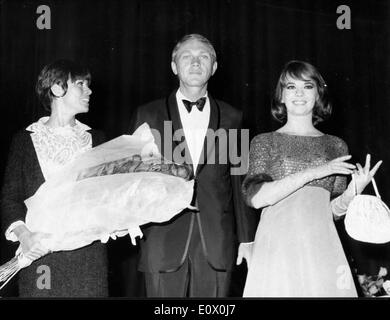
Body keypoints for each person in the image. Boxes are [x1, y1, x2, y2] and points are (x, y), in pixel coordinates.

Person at [127, 34, 256, 297]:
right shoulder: (147, 114)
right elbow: (132, 177)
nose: (196, 63)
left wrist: (247, 239)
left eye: (204, 57)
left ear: (215, 67)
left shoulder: (233, 116)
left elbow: (238, 178)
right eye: (187, 56)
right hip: (162, 238)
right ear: (174, 66)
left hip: (217, 242)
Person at [241, 60, 382, 297]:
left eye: (307, 86)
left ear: (318, 94)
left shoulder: (335, 145)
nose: (298, 93)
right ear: (281, 96)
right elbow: (256, 198)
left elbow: (332, 212)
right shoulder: (264, 142)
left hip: (321, 245)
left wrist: (353, 192)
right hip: (277, 245)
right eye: (290, 87)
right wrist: (317, 171)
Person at [1, 59, 108, 297]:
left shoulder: (98, 139)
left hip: (88, 262)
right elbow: (10, 198)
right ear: (57, 89)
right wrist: (25, 236)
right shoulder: (24, 140)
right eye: (81, 84)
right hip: (39, 257)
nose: (89, 91)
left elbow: (108, 196)